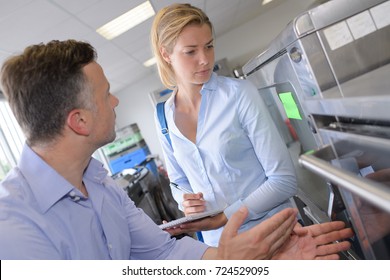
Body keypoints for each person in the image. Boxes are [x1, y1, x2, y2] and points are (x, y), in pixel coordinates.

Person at [0, 39, 353, 260]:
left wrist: (257, 265)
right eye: (106, 94)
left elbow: (167, 254)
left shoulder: (100, 185)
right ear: (79, 121)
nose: (116, 100)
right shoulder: (15, 227)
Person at [151, 3, 297, 245]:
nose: (204, 60)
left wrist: (223, 218)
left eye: (209, 46)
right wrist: (185, 199)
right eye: (191, 51)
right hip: (221, 248)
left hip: (273, 235)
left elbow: (284, 180)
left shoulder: (239, 94)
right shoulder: (162, 116)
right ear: (166, 54)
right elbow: (177, 180)